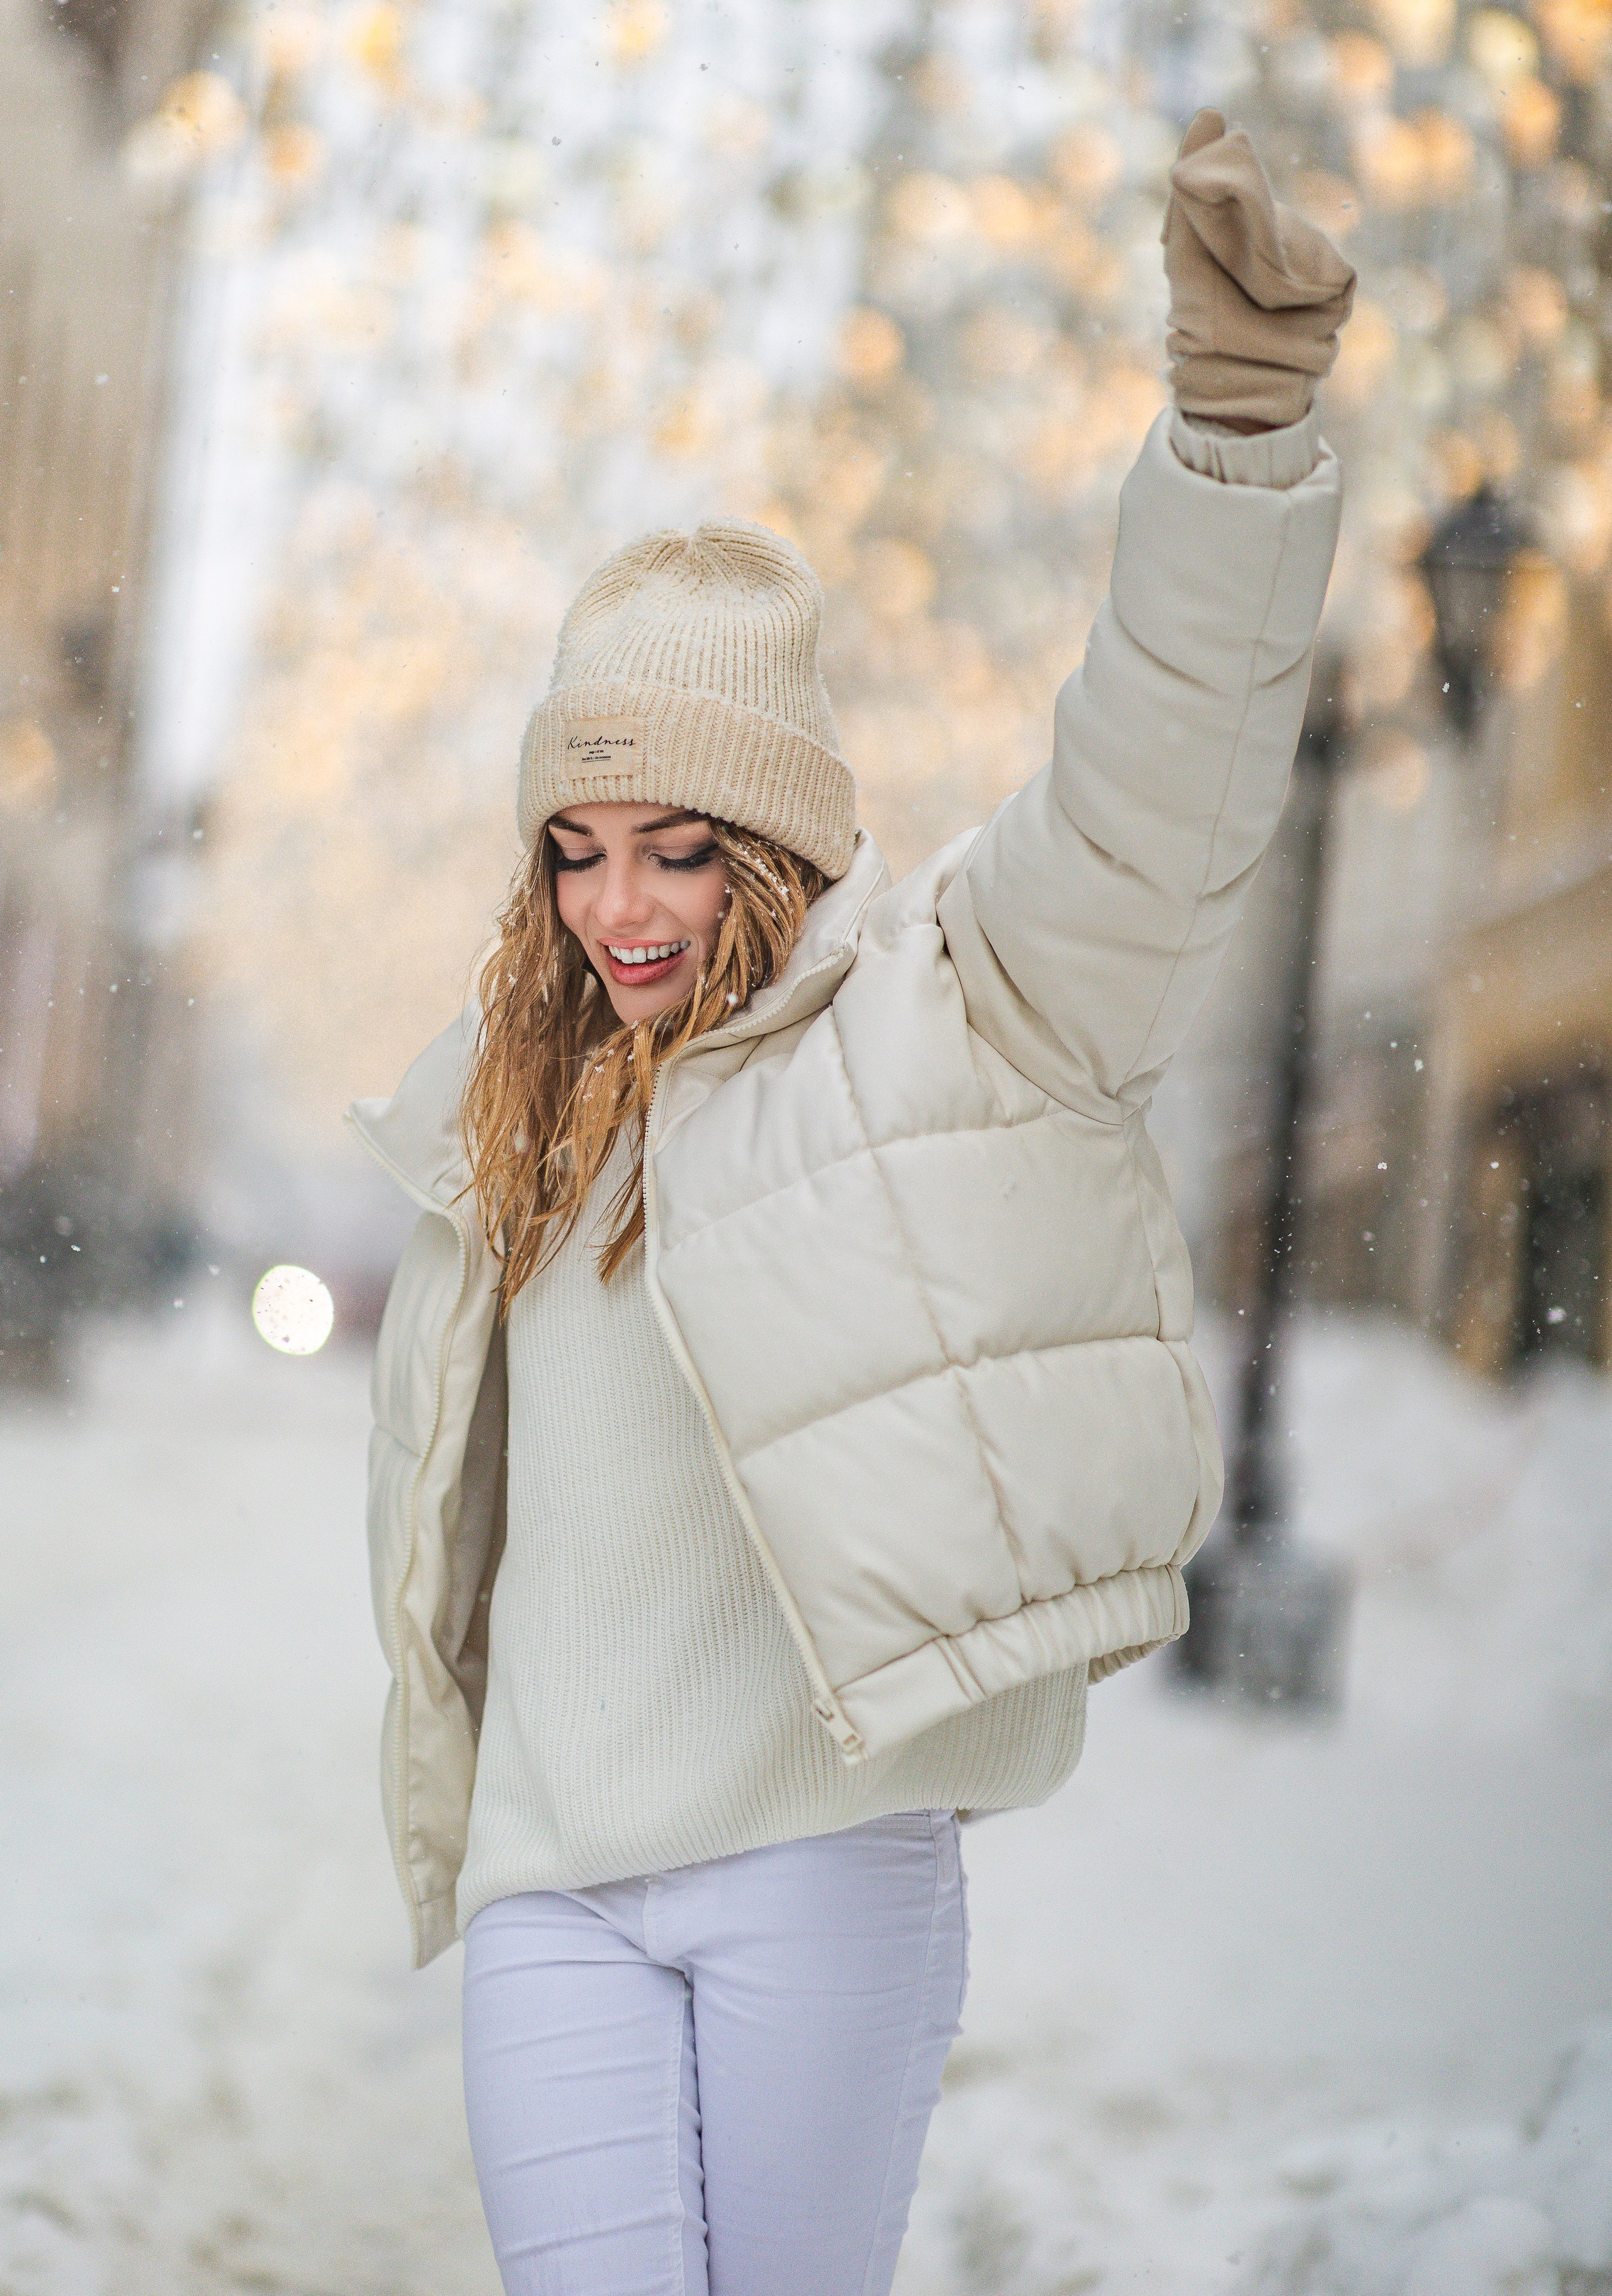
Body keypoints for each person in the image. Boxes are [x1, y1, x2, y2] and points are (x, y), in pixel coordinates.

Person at [346, 110, 1355, 2296]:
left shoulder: (944, 1019)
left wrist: (1239, 437)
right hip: (553, 1882)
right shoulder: (500, 1117)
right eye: (578, 842)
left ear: (777, 847)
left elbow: (1153, 786)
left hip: (818, 1863)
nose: (620, 901)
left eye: (681, 843)